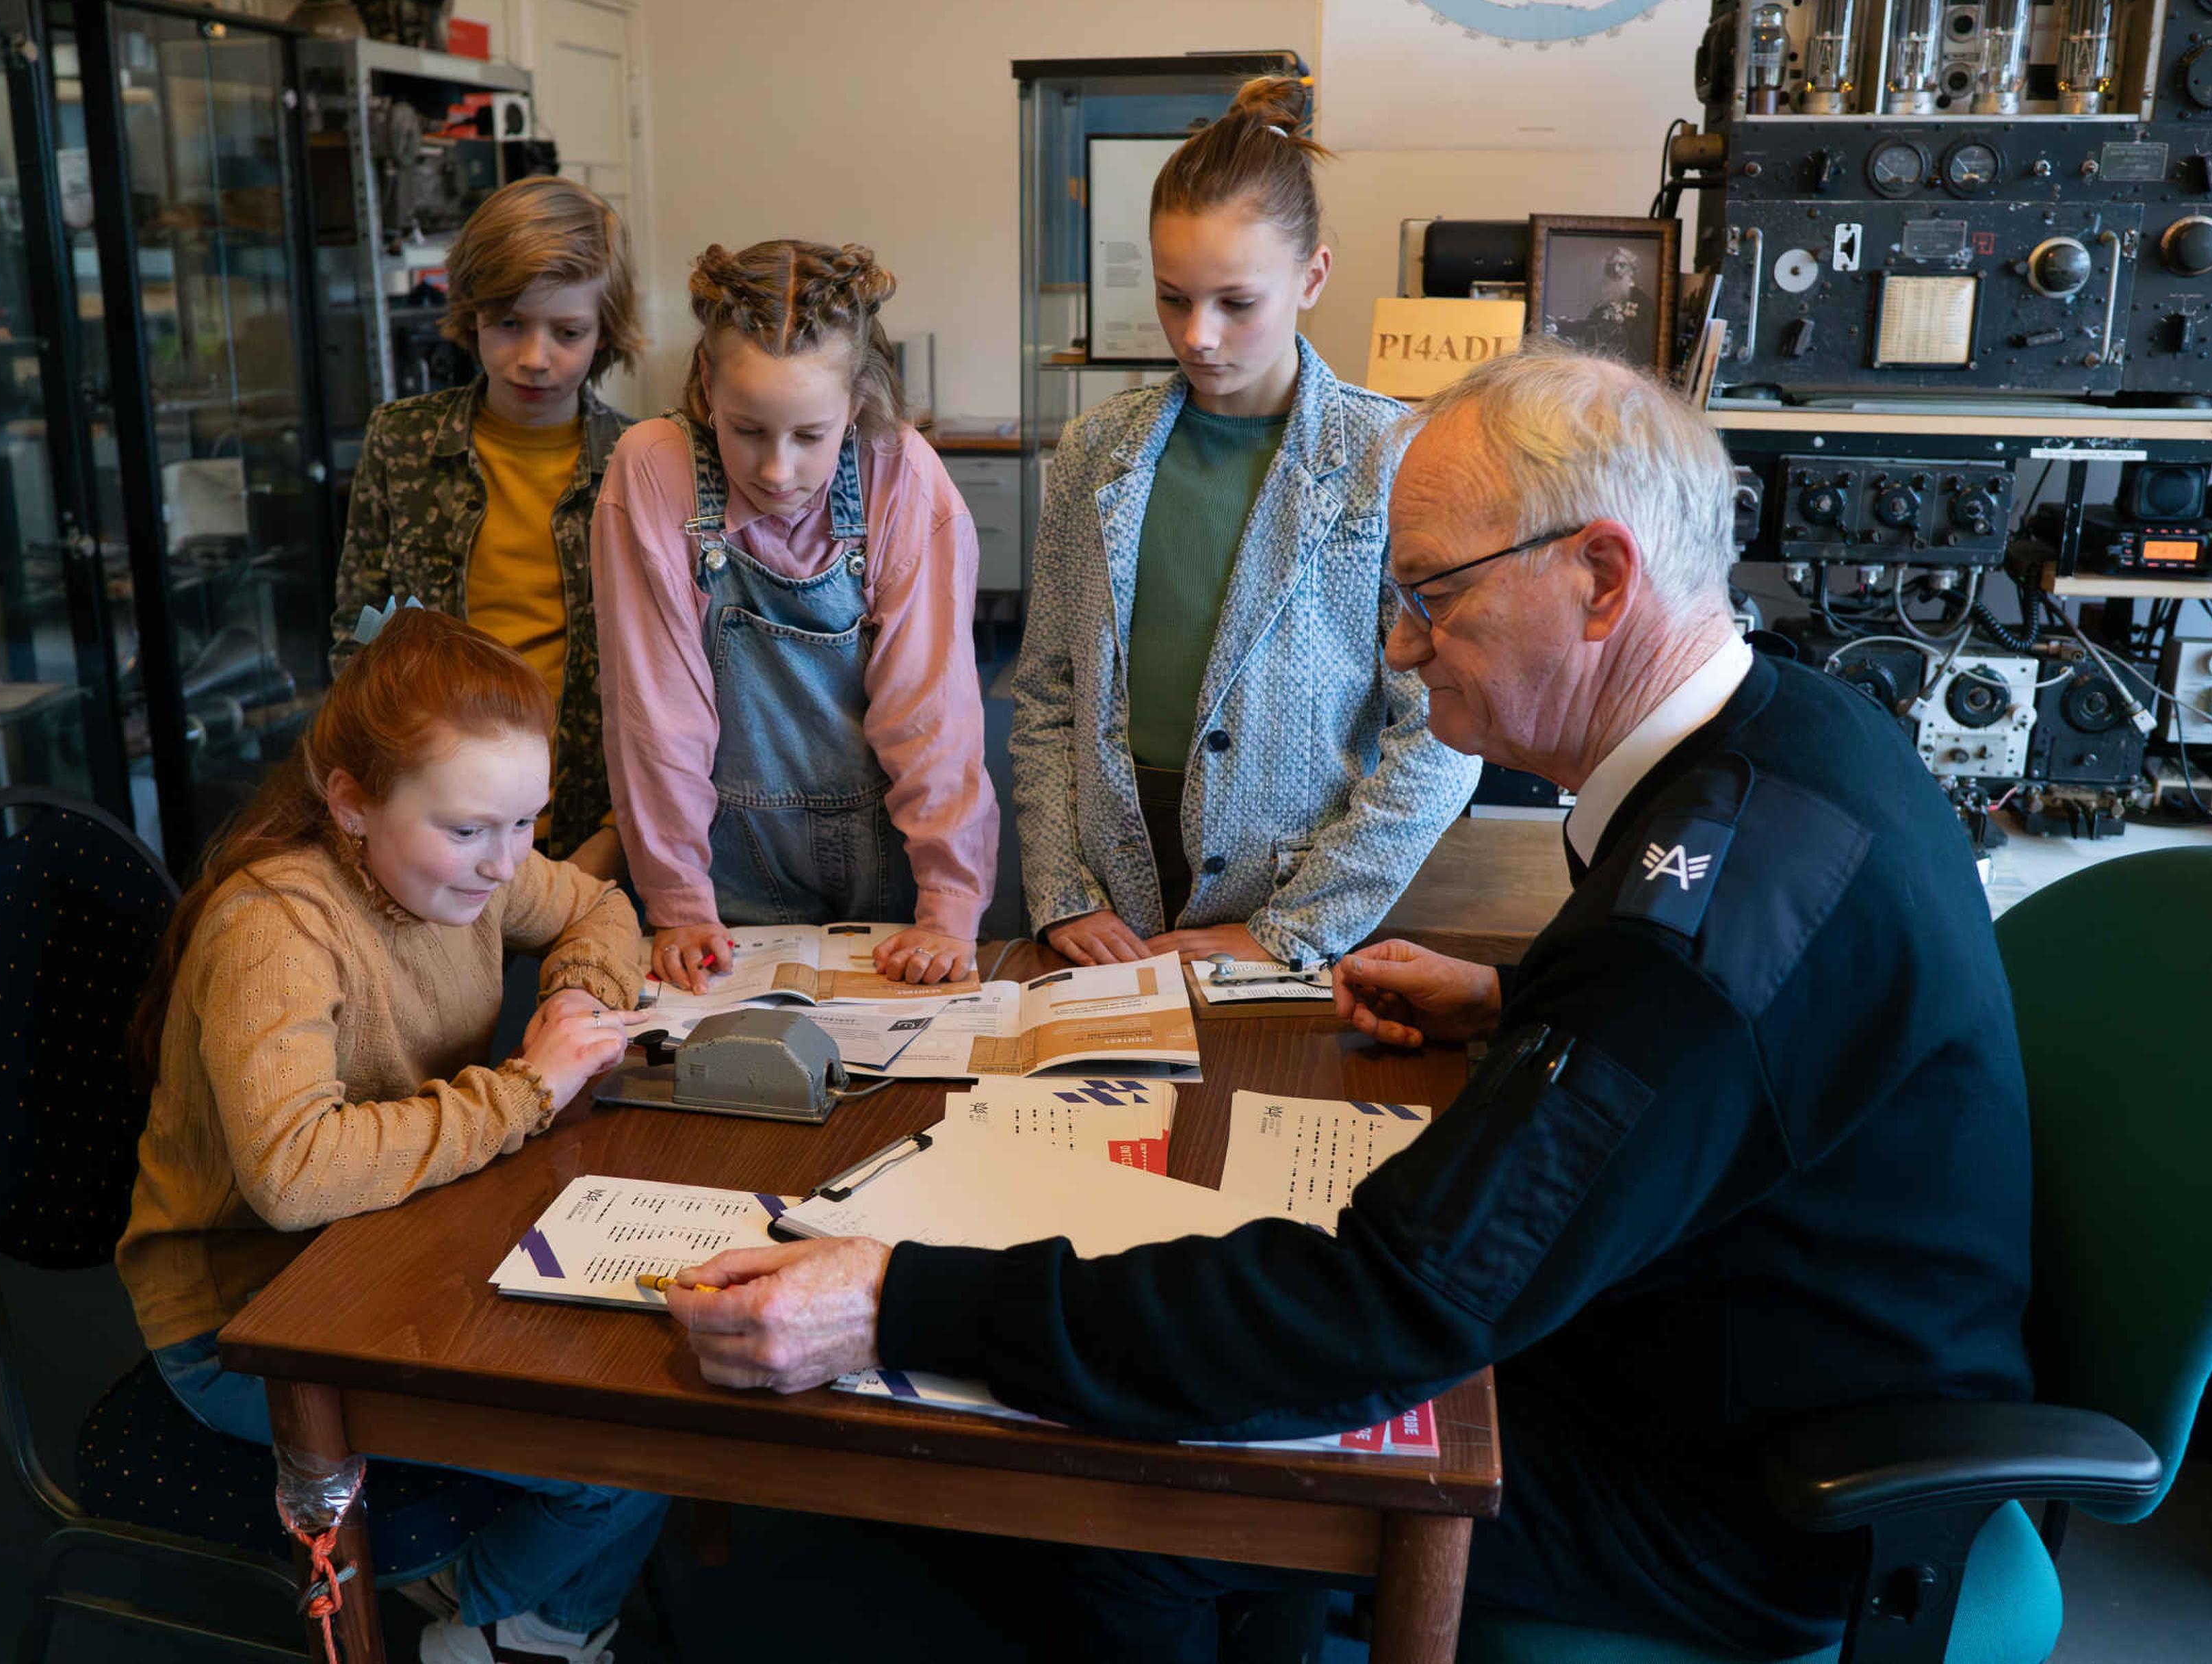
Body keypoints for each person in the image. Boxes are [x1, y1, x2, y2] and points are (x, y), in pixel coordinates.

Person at [658, 348, 2036, 1659]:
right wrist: (1517, 1001)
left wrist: (903, 1301)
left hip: (1752, 1498)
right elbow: (1729, 1047)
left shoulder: (1689, 938)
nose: (1399, 643)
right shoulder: (1789, 732)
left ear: (1601, 578)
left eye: (1433, 596)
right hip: (1719, 1331)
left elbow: (1376, 1307)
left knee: (1146, 1506)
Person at [119, 608, 664, 1664]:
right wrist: (527, 1093)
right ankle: (504, 1620)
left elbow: (594, 908)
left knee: (653, 1378)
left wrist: (577, 1011)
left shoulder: (460, 866)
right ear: (351, 804)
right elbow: (292, 1175)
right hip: (250, 1318)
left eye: (527, 824)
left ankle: (523, 1623)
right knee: (629, 1450)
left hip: (389, 1244)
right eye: (470, 830)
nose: (505, 866)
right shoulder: (277, 927)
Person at [1011, 75, 1478, 972]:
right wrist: (1064, 891)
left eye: (1236, 302)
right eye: (1173, 297)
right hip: (1112, 903)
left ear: (1312, 277)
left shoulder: (1392, 455)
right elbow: (1045, 694)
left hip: (1297, 908)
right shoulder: (1094, 451)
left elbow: (1444, 732)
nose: (1199, 337)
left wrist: (1294, 929)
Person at [593, 240, 996, 993]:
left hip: (888, 866)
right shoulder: (652, 468)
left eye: (811, 435)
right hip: (720, 875)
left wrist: (949, 902)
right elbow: (655, 714)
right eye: (746, 430)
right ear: (707, 380)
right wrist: (677, 899)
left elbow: (934, 716)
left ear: (859, 401)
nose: (776, 471)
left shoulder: (902, 475)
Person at [328, 174, 642, 877]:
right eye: (508, 324)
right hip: (433, 836)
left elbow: (675, 674)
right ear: (469, 313)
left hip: (592, 832)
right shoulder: (402, 440)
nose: (535, 357)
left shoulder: (641, 460)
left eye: (568, 332)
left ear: (607, 331)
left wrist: (619, 837)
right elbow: (357, 635)